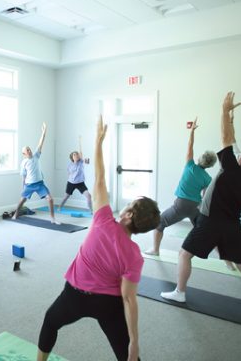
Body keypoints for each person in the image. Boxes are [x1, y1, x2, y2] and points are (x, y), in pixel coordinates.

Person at [36, 115, 160, 361]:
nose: (127, 204)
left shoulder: (102, 219)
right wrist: (134, 341)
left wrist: (99, 141)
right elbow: (128, 299)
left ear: (128, 215)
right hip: (108, 304)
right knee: (126, 352)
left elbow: (100, 177)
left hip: (74, 296)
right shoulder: (135, 256)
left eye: (131, 203)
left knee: (51, 322)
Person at [160, 92, 241, 323]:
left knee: (184, 254)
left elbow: (226, 135)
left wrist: (224, 110)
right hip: (232, 227)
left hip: (208, 222)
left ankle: (180, 293)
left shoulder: (230, 167)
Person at [145, 119, 216, 255]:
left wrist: (192, 131)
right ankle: (227, 261)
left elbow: (190, 145)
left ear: (200, 158)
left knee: (159, 224)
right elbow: (205, 196)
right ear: (210, 165)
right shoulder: (208, 178)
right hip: (195, 206)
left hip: (181, 205)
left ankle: (155, 250)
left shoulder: (190, 166)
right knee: (206, 231)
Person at [12, 122, 59, 224]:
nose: (29, 150)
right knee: (22, 200)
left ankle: (52, 218)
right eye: (27, 150)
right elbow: (24, 176)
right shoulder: (24, 162)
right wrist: (23, 187)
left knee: (50, 199)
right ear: (24, 153)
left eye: (29, 149)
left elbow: (40, 143)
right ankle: (15, 213)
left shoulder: (36, 156)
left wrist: (44, 132)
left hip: (40, 184)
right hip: (29, 185)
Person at [58, 135, 92, 212]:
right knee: (66, 196)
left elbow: (83, 156)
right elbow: (69, 174)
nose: (76, 155)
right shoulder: (70, 165)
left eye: (77, 154)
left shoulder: (81, 162)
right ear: (72, 157)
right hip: (71, 183)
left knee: (89, 196)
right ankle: (60, 206)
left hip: (80, 183)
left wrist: (80, 141)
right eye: (74, 155)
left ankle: (91, 210)